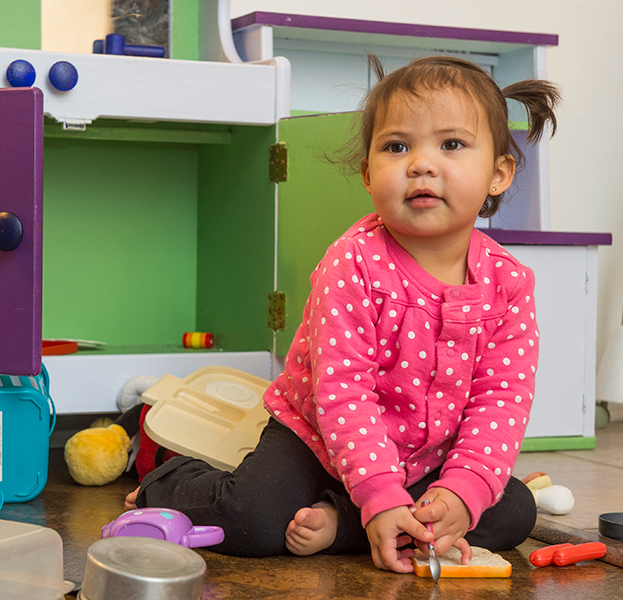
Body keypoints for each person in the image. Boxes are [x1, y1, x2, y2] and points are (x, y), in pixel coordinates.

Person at [124, 54, 560, 574]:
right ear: (368, 173)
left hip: (426, 459)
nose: (420, 163)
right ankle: (171, 481)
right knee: (256, 521)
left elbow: (500, 399)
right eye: (397, 147)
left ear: (499, 173)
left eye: (451, 144)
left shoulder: (508, 283)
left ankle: (346, 525)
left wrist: (461, 493)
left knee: (511, 509)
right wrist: (378, 490)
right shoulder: (354, 262)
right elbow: (343, 392)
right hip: (316, 436)